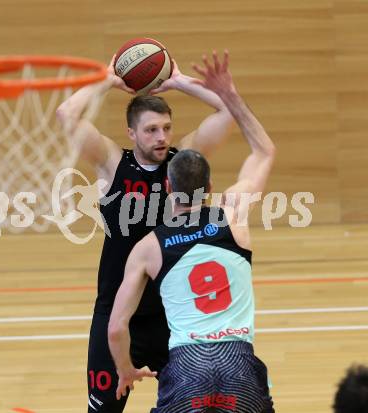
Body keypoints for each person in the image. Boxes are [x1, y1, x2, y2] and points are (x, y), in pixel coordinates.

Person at [56, 52, 234, 412]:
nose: (161, 137)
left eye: (166, 128)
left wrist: (180, 81)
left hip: (175, 311)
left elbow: (229, 111)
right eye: (151, 129)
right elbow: (65, 115)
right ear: (131, 132)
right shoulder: (111, 162)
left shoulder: (183, 162)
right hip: (118, 311)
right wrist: (106, 80)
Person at [108, 50, 276, 412]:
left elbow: (116, 328)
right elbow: (264, 151)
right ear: (211, 186)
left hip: (186, 367)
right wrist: (228, 95)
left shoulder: (149, 246)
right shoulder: (233, 215)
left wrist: (126, 370)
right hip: (239, 361)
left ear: (168, 188)